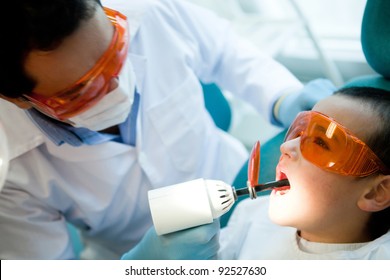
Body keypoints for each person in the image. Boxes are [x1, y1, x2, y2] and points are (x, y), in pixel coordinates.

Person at [0, 0, 334, 259]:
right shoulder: (9, 173)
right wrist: (140, 266)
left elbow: (225, 52)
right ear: (18, 99)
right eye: (81, 91)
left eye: (116, 53)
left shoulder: (146, 11)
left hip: (232, 175)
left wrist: (283, 97)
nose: (119, 89)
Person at [219, 86, 390, 259]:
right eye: (298, 132)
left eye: (320, 143)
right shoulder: (251, 216)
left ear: (376, 192)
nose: (285, 147)